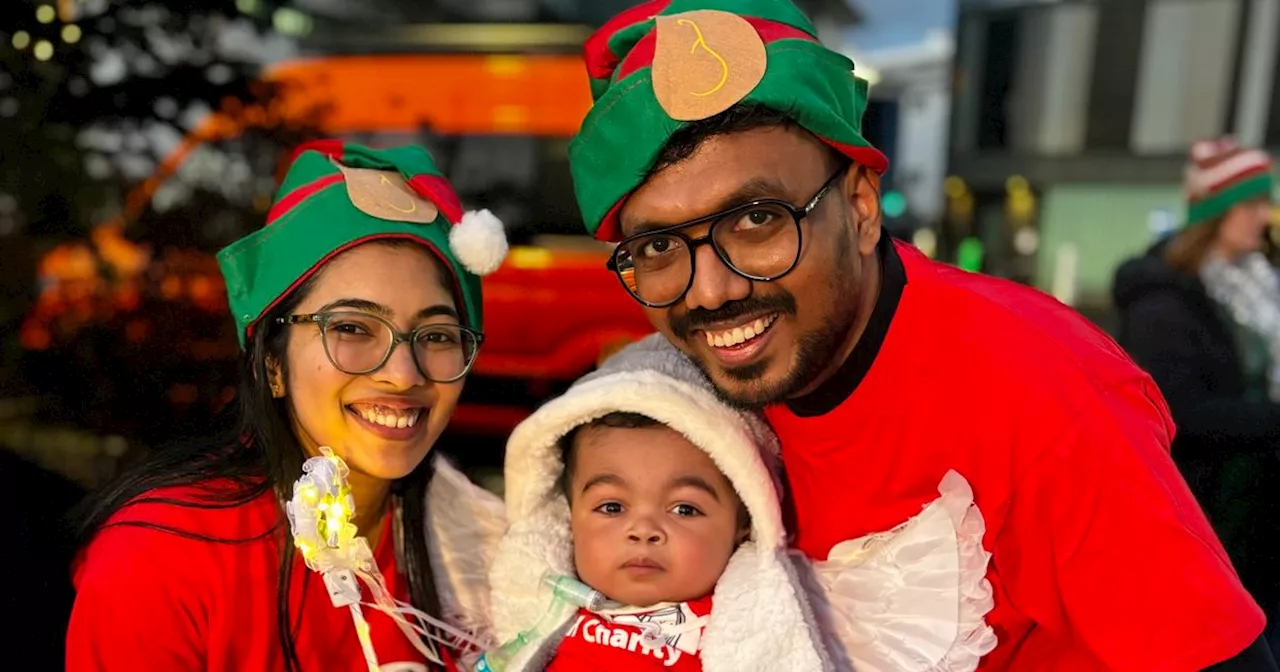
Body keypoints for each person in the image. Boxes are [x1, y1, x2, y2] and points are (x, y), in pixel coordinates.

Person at [564, 1, 1277, 670]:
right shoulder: (673, 396)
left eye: (758, 221)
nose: (712, 291)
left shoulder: (1038, 391)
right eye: (658, 247)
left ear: (862, 207)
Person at [64, 141, 512, 671]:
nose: (402, 374)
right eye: (351, 328)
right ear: (272, 363)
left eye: (437, 335)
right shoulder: (157, 563)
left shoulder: (489, 558)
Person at [479, 334, 994, 672]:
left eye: (684, 509)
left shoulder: (737, 629)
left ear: (743, 522)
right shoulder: (549, 612)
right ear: (567, 516)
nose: (643, 531)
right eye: (612, 507)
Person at [1113, 136, 1280, 655]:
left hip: (1260, 505)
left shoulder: (1260, 282)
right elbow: (1178, 412)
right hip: (1209, 511)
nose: (1264, 215)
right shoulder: (1163, 302)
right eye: (1251, 203)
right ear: (1216, 211)